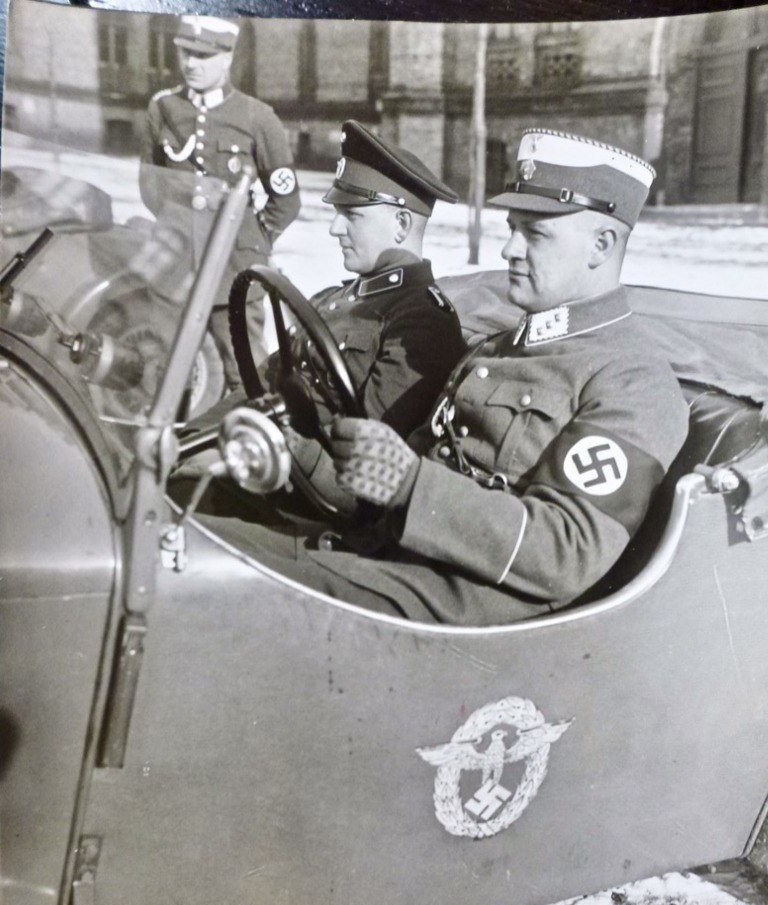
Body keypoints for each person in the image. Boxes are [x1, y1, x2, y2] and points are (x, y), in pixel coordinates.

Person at [198, 129, 690, 627]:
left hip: (455, 609)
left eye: (535, 234)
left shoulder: (633, 381)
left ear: (601, 245)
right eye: (512, 229)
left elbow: (566, 552)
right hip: (387, 559)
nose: (509, 251)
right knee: (185, 539)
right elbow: (390, 479)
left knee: (196, 580)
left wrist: (411, 485)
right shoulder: (497, 348)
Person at [182, 119, 467, 510]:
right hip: (265, 463)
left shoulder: (421, 324)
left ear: (401, 224)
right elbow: (260, 382)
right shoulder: (335, 298)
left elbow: (361, 470)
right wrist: (188, 438)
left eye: (352, 215)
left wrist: (246, 447)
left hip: (306, 504)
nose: (335, 228)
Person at [139, 15, 301, 390]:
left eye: (202, 55)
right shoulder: (162, 108)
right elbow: (150, 184)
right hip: (173, 264)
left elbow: (287, 201)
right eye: (185, 52)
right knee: (161, 367)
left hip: (233, 269)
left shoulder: (257, 117)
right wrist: (176, 226)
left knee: (246, 375)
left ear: (227, 57)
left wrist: (250, 240)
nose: (190, 63)